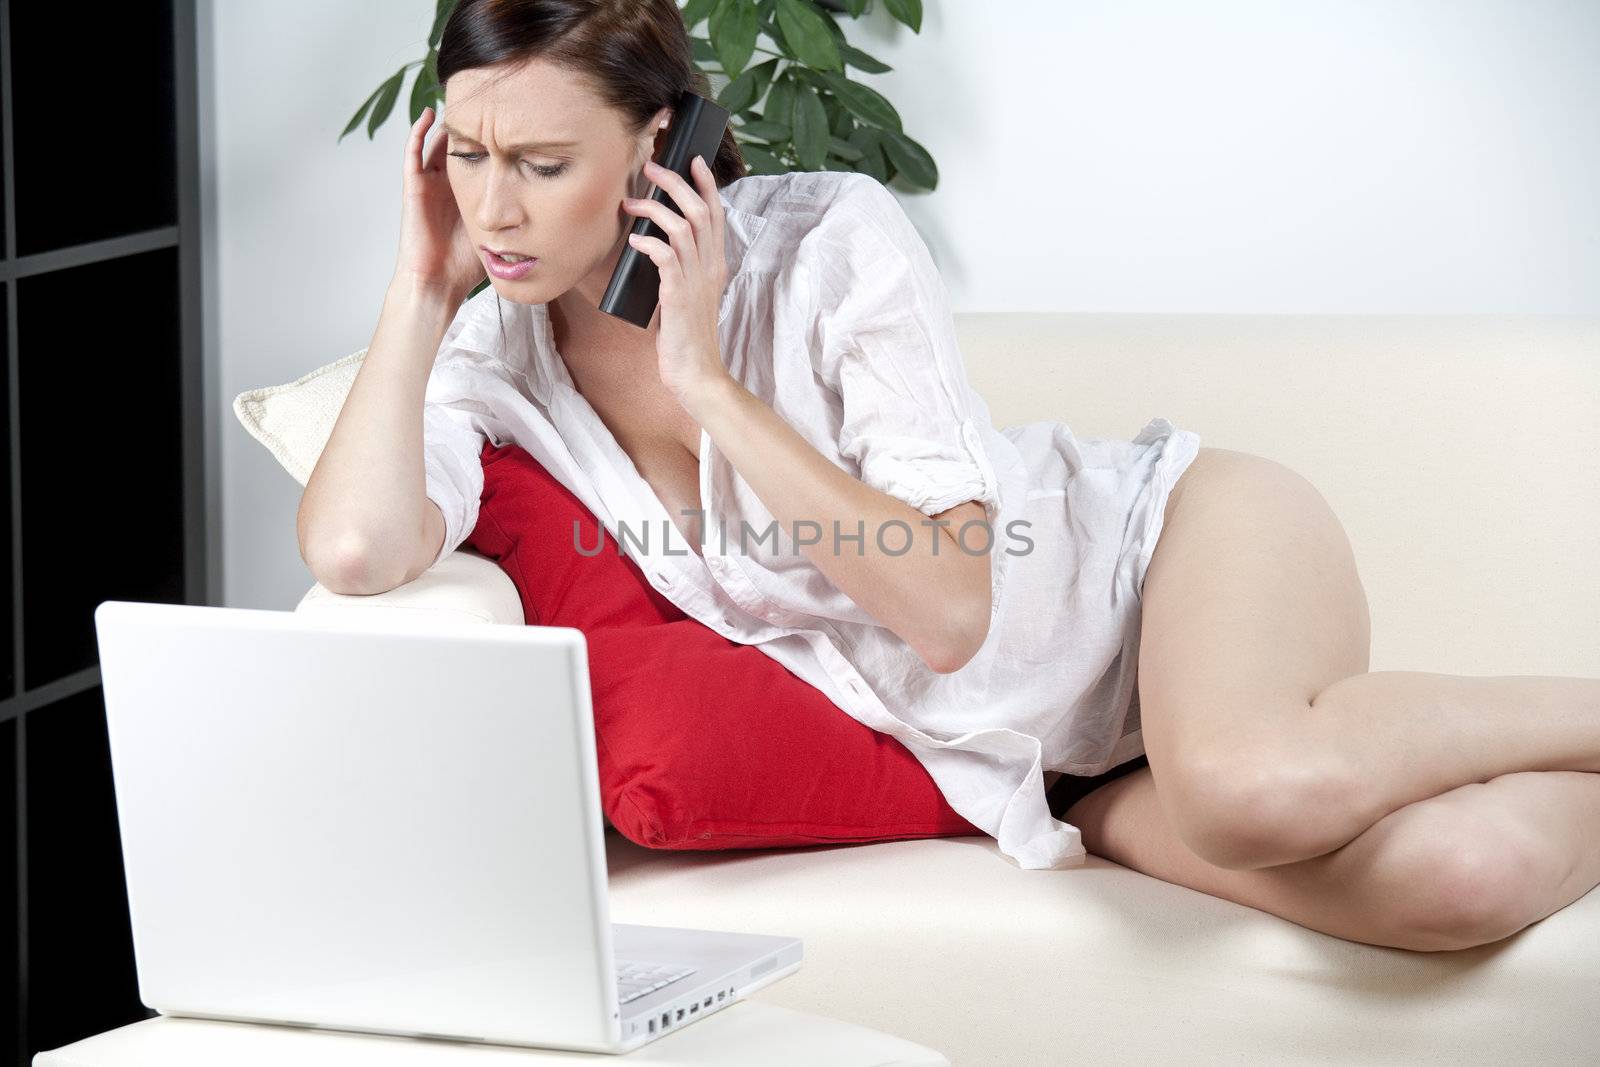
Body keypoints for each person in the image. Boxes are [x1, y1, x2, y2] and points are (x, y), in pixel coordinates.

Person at [297, 0, 1600, 951]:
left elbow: (953, 610)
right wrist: (418, 292)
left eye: (540, 165)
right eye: (467, 158)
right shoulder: (495, 360)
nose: (497, 212)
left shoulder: (831, 245)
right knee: (1464, 882)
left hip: (1167, 556)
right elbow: (355, 550)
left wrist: (709, 386)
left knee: (1251, 786)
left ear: (655, 150)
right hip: (1053, 763)